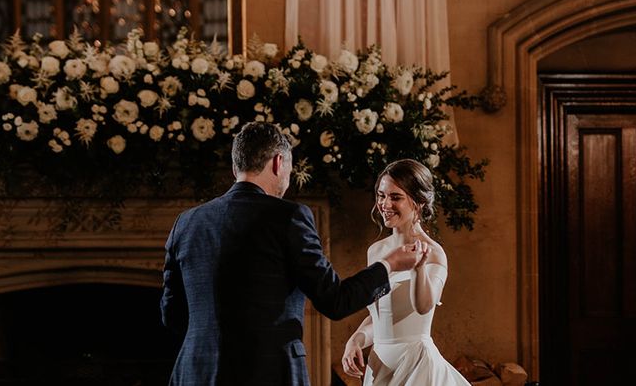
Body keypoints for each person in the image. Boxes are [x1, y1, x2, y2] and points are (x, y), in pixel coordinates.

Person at [160, 122, 425, 386]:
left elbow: (172, 315)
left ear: (235, 167)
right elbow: (335, 301)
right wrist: (388, 265)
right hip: (269, 372)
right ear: (278, 163)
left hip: (193, 373)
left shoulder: (185, 223)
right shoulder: (288, 217)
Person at [341, 159, 470, 385]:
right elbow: (381, 318)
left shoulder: (435, 253)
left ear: (419, 202)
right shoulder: (376, 250)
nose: (385, 204)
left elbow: (424, 306)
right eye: (381, 195)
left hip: (415, 365)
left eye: (395, 197)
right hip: (379, 365)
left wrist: (418, 269)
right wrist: (356, 340)